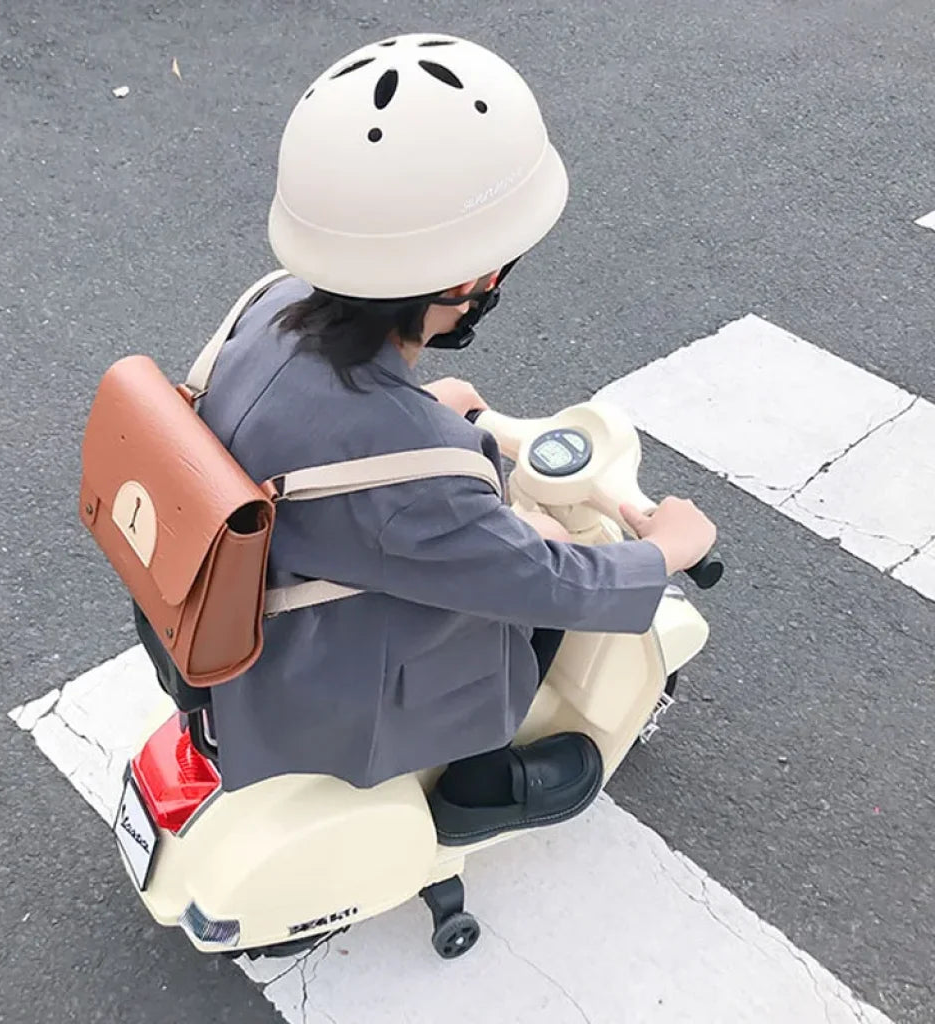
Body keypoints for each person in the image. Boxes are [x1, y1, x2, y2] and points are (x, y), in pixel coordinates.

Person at [186, 34, 716, 844]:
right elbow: (551, 583)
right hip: (314, 690)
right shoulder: (417, 482)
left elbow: (305, 434)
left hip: (239, 615)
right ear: (471, 280)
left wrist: (431, 411)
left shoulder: (268, 308)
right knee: (534, 569)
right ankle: (477, 781)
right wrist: (666, 550)